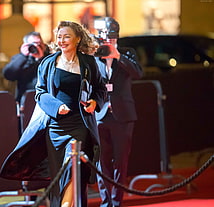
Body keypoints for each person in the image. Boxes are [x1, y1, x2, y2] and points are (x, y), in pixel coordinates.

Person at [0, 21, 106, 207]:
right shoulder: (48, 62)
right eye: (59, 36)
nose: (62, 40)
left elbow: (100, 89)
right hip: (55, 127)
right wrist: (56, 107)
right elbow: (40, 92)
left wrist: (95, 102)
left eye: (67, 36)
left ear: (78, 39)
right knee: (58, 178)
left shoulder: (88, 62)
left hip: (80, 125)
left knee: (73, 169)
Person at [94, 17, 143, 207]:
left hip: (123, 115)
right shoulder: (93, 56)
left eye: (114, 38)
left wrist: (117, 56)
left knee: (120, 162)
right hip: (99, 114)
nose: (110, 41)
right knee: (102, 163)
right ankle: (106, 202)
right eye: (107, 38)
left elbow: (138, 73)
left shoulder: (127, 53)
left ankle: (117, 202)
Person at [2, 31, 50, 103]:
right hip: (25, 101)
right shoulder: (20, 60)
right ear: (26, 45)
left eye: (39, 44)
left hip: (45, 99)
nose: (36, 47)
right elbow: (8, 75)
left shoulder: (49, 59)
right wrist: (23, 56)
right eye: (33, 44)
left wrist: (41, 59)